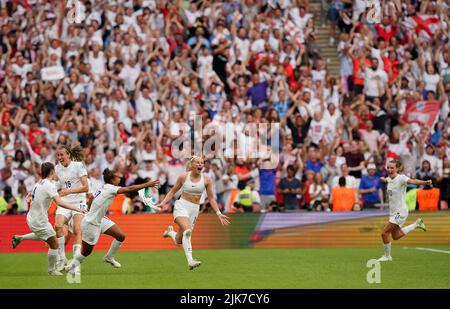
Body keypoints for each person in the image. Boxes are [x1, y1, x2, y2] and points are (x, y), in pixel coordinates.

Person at [65, 169, 159, 275]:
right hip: (91, 224)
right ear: (112, 179)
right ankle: (71, 266)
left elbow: (91, 198)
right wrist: (147, 184)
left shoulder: (104, 188)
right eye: (118, 177)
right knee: (86, 252)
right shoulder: (110, 189)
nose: (120, 179)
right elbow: (130, 188)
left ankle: (109, 257)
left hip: (100, 219)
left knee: (121, 236)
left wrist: (92, 210)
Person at [11, 162, 86, 275]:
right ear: (52, 172)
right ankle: (52, 269)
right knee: (54, 243)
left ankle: (20, 238)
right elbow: (59, 202)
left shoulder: (40, 183)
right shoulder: (49, 185)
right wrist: (77, 209)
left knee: (45, 236)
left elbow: (53, 188)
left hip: (32, 218)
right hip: (39, 221)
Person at [157, 156, 230, 270]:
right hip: (181, 206)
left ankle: (171, 233)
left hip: (195, 209)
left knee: (179, 241)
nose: (200, 164)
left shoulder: (206, 180)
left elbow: (211, 198)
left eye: (202, 163)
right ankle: (190, 261)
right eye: (198, 162)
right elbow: (172, 191)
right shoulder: (183, 177)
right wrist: (163, 203)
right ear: (191, 165)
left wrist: (219, 213)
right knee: (187, 231)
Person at [377, 160, 430, 262]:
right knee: (396, 236)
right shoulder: (389, 179)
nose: (389, 169)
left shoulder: (401, 178)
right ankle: (416, 224)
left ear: (397, 169)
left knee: (384, 233)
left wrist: (425, 182)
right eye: (388, 167)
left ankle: (387, 256)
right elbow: (387, 180)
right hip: (393, 213)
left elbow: (413, 181)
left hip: (400, 212)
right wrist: (383, 179)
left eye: (392, 168)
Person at [54, 145, 89, 271]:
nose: (59, 157)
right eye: (58, 155)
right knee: (58, 226)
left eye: (62, 155)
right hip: (65, 202)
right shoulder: (57, 168)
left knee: (77, 228)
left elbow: (86, 187)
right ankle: (62, 258)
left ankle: (75, 263)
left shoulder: (78, 165)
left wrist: (68, 191)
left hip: (79, 201)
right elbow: (58, 184)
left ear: (68, 155)